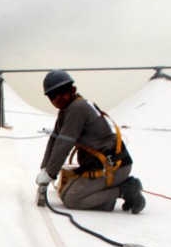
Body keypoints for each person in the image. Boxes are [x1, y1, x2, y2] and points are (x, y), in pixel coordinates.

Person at [36, 70, 145, 213]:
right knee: (65, 188)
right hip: (103, 165)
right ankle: (115, 192)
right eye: (52, 95)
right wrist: (45, 168)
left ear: (72, 90)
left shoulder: (77, 109)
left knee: (72, 198)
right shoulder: (67, 110)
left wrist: (50, 174)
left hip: (113, 167)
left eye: (61, 92)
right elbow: (54, 140)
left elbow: (64, 144)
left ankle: (125, 190)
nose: (58, 98)